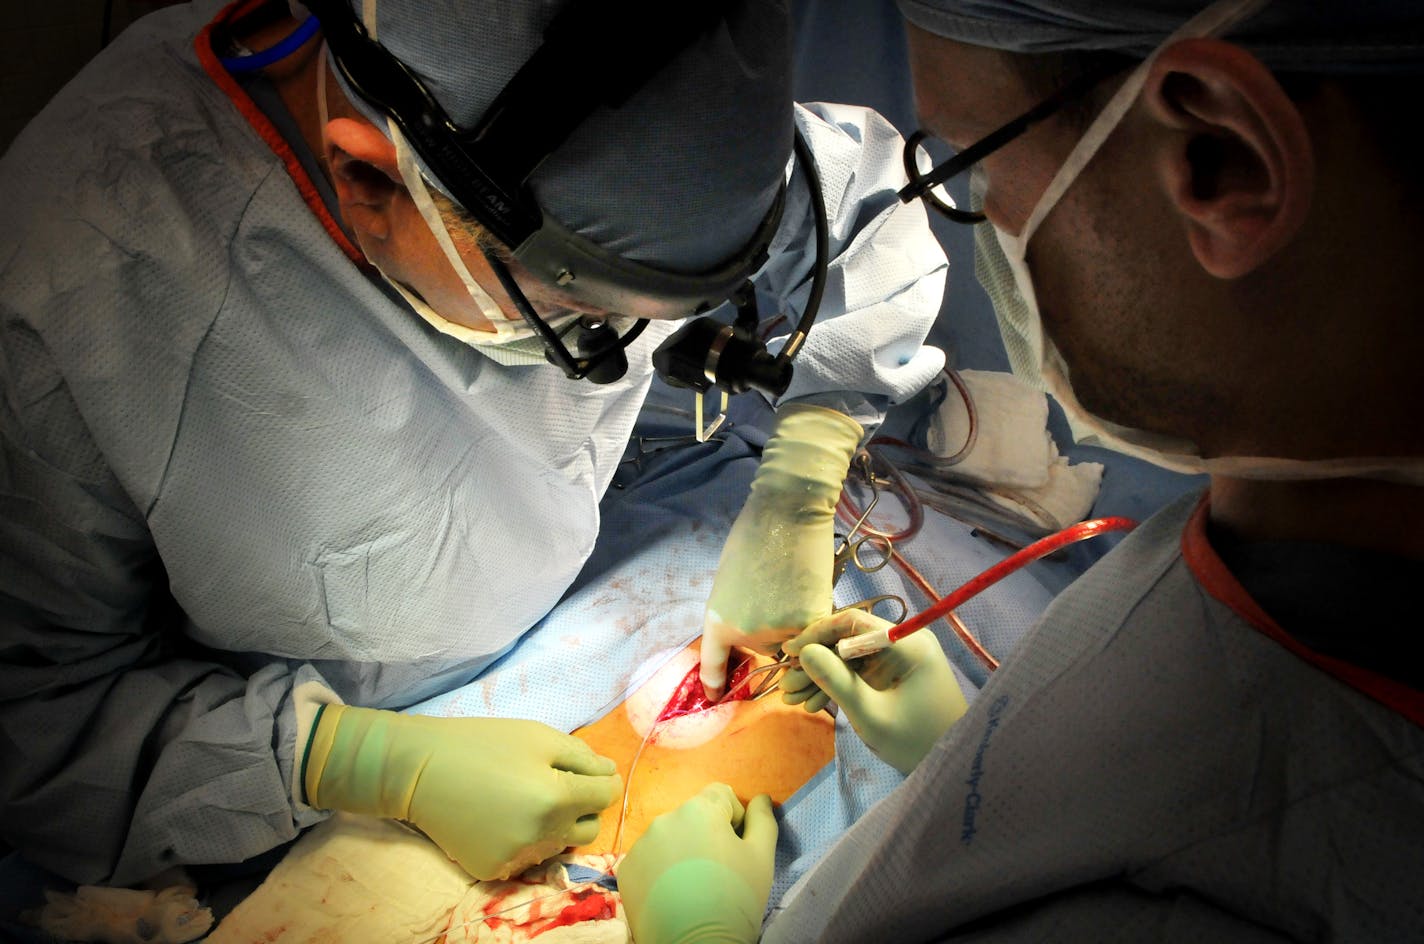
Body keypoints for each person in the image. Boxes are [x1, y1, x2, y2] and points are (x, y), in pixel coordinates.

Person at [0, 0, 951, 887]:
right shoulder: (72, 292)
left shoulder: (651, 106)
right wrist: (351, 763)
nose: (618, 357)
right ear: (369, 181)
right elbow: (35, 723)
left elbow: (864, 210)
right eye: (580, 311)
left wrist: (802, 476)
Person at [617, 0, 1424, 941]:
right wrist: (963, 759)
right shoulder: (1292, 534)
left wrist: (695, 928)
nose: (979, 221)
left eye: (974, 169)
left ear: (1221, 160)